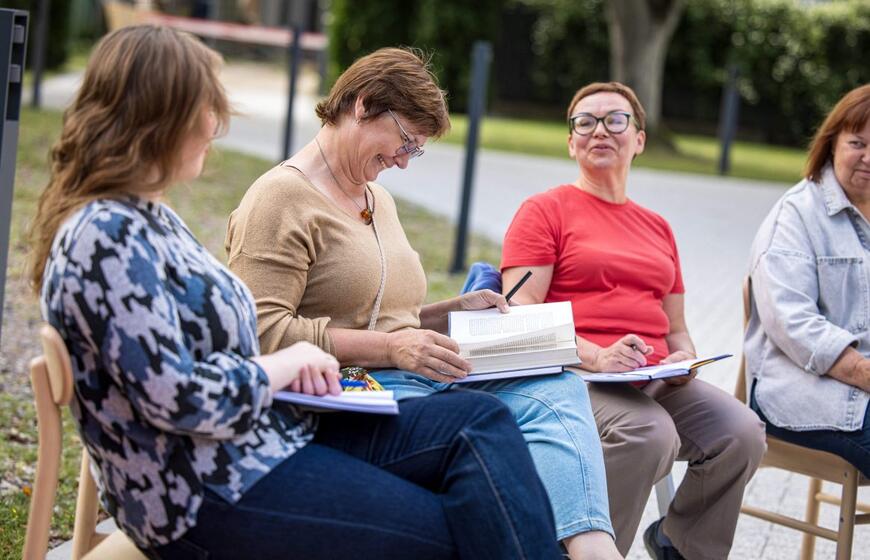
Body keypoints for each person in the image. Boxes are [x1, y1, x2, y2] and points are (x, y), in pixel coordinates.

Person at [29, 26, 562, 560]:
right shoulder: (107, 234)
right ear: (156, 117)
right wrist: (286, 364)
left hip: (255, 448)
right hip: (207, 489)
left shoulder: (147, 218)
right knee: (457, 526)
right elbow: (181, 397)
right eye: (206, 110)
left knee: (482, 429)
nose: (216, 128)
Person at [226, 47, 621, 560]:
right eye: (406, 141)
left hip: (410, 378)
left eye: (416, 150)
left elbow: (388, 314)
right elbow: (260, 333)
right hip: (341, 397)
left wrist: (454, 310)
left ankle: (593, 548)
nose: (404, 161)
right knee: (482, 424)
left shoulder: (375, 196)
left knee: (557, 385)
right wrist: (392, 349)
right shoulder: (279, 198)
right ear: (363, 105)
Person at [500, 81, 767, 560]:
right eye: (586, 121)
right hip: (576, 375)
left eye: (615, 119)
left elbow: (676, 327)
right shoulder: (544, 210)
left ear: (639, 138)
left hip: (652, 377)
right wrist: (597, 356)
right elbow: (520, 315)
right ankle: (580, 551)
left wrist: (685, 356)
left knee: (742, 432)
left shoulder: (658, 227)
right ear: (571, 141)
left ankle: (680, 546)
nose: (600, 130)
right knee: (649, 433)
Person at [745, 84, 870, 477]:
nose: (869, 158)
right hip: (804, 391)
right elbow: (793, 323)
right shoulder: (796, 216)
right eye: (857, 143)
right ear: (832, 143)